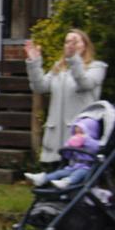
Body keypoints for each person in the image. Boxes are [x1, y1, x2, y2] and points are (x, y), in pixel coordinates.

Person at [24, 30, 107, 165]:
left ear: (85, 45)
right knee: (55, 181)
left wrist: (74, 59)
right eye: (68, 41)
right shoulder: (59, 68)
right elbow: (39, 87)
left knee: (77, 180)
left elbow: (84, 83)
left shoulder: (97, 67)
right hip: (55, 139)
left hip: (79, 137)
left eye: (75, 41)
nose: (71, 45)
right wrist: (34, 63)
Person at [25, 117, 101, 189]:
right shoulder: (75, 141)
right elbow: (67, 155)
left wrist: (85, 139)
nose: (78, 134)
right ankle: (42, 179)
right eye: (76, 132)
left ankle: (66, 182)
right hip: (73, 167)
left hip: (87, 168)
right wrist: (69, 145)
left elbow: (96, 147)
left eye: (81, 132)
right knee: (59, 173)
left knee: (78, 174)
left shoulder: (94, 142)